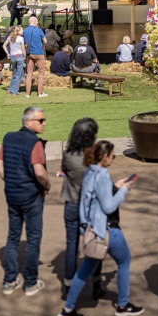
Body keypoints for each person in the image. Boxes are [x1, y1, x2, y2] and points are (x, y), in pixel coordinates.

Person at [58, 140, 142, 316]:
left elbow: (92, 199)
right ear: (104, 157)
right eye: (112, 155)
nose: (113, 158)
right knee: (124, 261)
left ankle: (68, 308)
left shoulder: (89, 172)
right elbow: (109, 206)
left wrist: (114, 187)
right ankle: (123, 305)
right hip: (107, 230)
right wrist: (123, 190)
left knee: (86, 269)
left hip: (91, 230)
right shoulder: (102, 175)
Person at [0, 106, 50, 295]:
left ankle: (9, 281)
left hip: (12, 195)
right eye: (41, 120)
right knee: (33, 239)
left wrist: (11, 183)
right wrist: (47, 186)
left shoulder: (8, 138)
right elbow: (40, 172)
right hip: (31, 197)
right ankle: (31, 283)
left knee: (13, 237)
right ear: (29, 122)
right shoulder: (35, 144)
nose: (44, 123)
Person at [60, 118, 103, 296]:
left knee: (71, 244)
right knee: (95, 243)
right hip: (91, 207)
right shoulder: (95, 155)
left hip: (71, 202)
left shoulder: (68, 154)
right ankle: (96, 283)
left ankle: (69, 283)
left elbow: (64, 170)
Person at [23, 15, 47, 99]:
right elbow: (45, 41)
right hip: (39, 53)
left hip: (29, 53)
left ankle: (27, 93)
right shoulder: (39, 30)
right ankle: (40, 92)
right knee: (41, 73)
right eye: (37, 22)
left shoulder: (25, 31)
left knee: (29, 73)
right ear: (34, 22)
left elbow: (24, 42)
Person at [4, 25, 26, 95]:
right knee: (19, 75)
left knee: (14, 73)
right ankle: (15, 91)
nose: (22, 31)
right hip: (19, 55)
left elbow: (4, 45)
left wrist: (8, 53)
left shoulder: (10, 37)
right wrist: (25, 56)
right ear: (18, 31)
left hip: (13, 56)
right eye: (22, 30)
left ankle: (10, 89)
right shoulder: (21, 38)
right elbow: (23, 49)